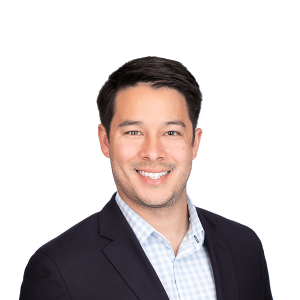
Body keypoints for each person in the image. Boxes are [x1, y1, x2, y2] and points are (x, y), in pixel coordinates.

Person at [19, 57, 273, 300]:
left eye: (171, 132)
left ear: (194, 143)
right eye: (133, 132)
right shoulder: (60, 268)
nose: (153, 152)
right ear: (105, 141)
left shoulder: (244, 247)